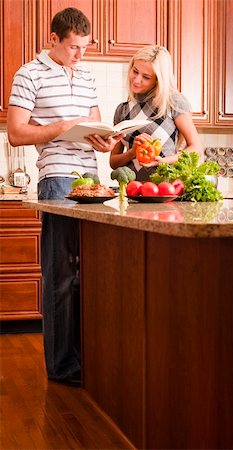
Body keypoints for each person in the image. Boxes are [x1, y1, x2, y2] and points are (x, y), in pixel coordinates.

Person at [7, 7, 122, 387]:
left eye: (85, 47)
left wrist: (106, 140)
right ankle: (61, 367)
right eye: (74, 47)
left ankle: (86, 358)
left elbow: (97, 132)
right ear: (52, 40)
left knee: (87, 275)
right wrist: (62, 127)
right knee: (60, 276)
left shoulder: (86, 76)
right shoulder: (29, 74)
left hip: (91, 178)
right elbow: (17, 133)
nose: (80, 55)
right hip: (57, 179)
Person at [110, 45, 203, 181]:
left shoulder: (173, 102)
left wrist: (164, 161)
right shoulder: (122, 110)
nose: (136, 80)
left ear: (158, 80)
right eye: (135, 71)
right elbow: (113, 162)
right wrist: (132, 152)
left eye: (146, 77)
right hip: (130, 192)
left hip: (164, 189)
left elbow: (196, 148)